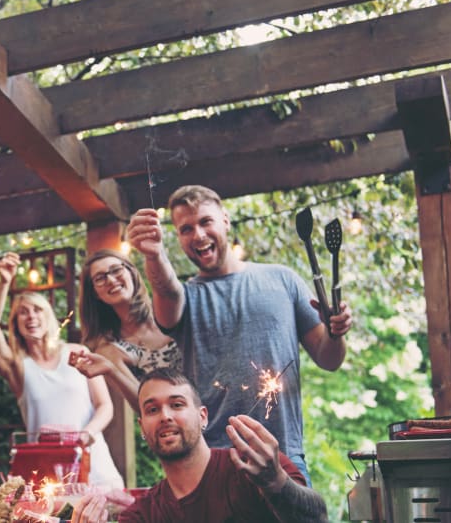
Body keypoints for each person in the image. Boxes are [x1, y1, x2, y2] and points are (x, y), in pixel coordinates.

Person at [125, 185, 353, 484]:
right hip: (214, 462)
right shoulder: (184, 297)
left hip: (283, 455)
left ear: (225, 220)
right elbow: (166, 289)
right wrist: (153, 255)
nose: (198, 235)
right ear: (178, 238)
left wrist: (336, 334)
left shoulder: (282, 279)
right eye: (186, 229)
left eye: (206, 222)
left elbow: (328, 359)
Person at [72, 368, 328, 523]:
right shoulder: (143, 514)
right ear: (142, 427)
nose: (165, 416)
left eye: (177, 404)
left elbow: (317, 519)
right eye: (152, 409)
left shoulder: (255, 469)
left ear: (202, 416)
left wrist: (276, 484)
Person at [0, 252, 124, 488]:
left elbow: (105, 406)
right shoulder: (17, 367)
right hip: (46, 476)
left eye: (37, 310)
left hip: (96, 465)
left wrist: (85, 435)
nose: (31, 317)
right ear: (15, 325)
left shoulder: (77, 352)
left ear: (48, 315)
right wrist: (4, 283)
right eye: (22, 313)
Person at [71, 249, 183, 411]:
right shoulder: (110, 348)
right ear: (95, 293)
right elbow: (142, 405)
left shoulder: (168, 311)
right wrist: (111, 371)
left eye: (116, 270)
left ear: (131, 272)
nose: (110, 279)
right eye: (100, 278)